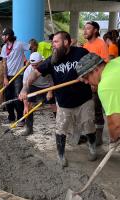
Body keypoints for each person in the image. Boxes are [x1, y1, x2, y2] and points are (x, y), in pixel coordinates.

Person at [19, 31, 97, 168]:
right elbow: (35, 73)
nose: (52, 45)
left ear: (66, 42)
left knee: (89, 125)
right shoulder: (52, 60)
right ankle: (60, 155)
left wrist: (89, 78)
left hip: (84, 100)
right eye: (52, 42)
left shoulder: (81, 53)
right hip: (64, 103)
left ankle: (92, 147)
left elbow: (95, 66)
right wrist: (25, 87)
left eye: (56, 42)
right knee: (61, 129)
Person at [76, 53, 120, 146]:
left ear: (96, 69)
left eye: (86, 77)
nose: (87, 82)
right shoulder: (115, 62)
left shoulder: (105, 86)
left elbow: (116, 124)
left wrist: (114, 139)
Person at [83, 21, 109, 146]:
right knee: (87, 109)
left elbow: (105, 63)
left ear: (95, 30)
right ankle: (89, 134)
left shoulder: (101, 43)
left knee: (97, 109)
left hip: (97, 82)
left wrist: (96, 83)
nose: (85, 31)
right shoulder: (85, 45)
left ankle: (99, 137)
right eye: (84, 28)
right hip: (86, 82)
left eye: (88, 28)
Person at [0, 27, 30, 124]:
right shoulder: (4, 48)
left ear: (8, 36)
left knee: (18, 97)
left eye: (3, 35)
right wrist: (5, 78)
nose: (2, 37)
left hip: (18, 75)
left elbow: (33, 46)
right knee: (8, 97)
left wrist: (30, 59)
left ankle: (21, 118)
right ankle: (11, 117)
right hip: (8, 76)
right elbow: (4, 63)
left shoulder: (19, 44)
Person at [21, 52, 54, 136]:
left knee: (54, 106)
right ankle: (29, 128)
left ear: (41, 62)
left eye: (36, 65)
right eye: (33, 65)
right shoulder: (28, 70)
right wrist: (25, 106)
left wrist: (50, 91)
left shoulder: (47, 67)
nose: (34, 67)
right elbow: (25, 89)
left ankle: (63, 128)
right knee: (28, 106)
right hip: (34, 86)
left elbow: (53, 81)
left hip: (48, 87)